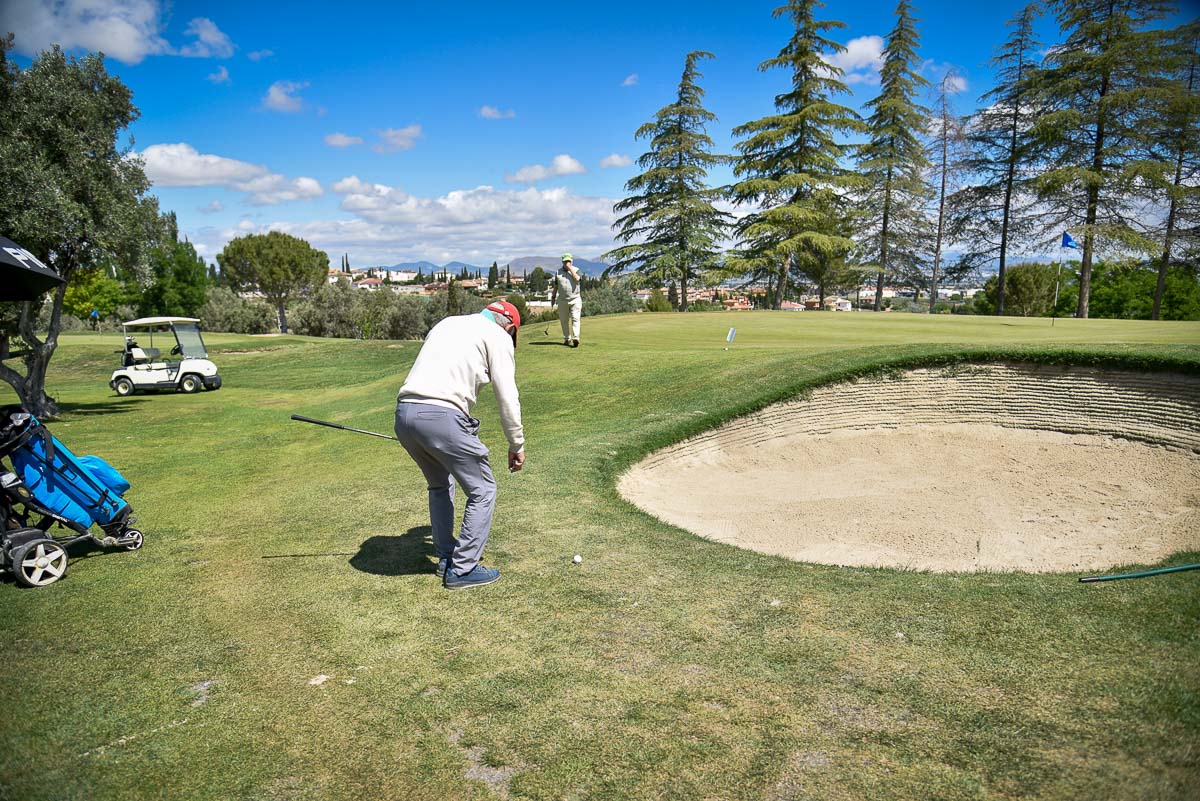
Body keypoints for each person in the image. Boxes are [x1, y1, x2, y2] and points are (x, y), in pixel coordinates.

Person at [394, 300, 526, 589]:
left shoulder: (447, 323)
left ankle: (445, 556)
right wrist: (516, 443)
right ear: (511, 327)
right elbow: (507, 396)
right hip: (442, 416)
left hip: (405, 413)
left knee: (440, 484)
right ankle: (463, 569)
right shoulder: (498, 336)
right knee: (483, 490)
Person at [550, 253, 582, 347]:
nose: (567, 263)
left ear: (572, 261)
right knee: (564, 320)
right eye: (565, 261)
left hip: (575, 299)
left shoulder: (577, 270)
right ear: (562, 262)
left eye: (569, 261)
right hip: (562, 300)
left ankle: (576, 337)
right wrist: (553, 297)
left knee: (575, 318)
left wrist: (570, 269)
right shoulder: (558, 272)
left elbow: (577, 279)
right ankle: (567, 338)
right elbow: (556, 286)